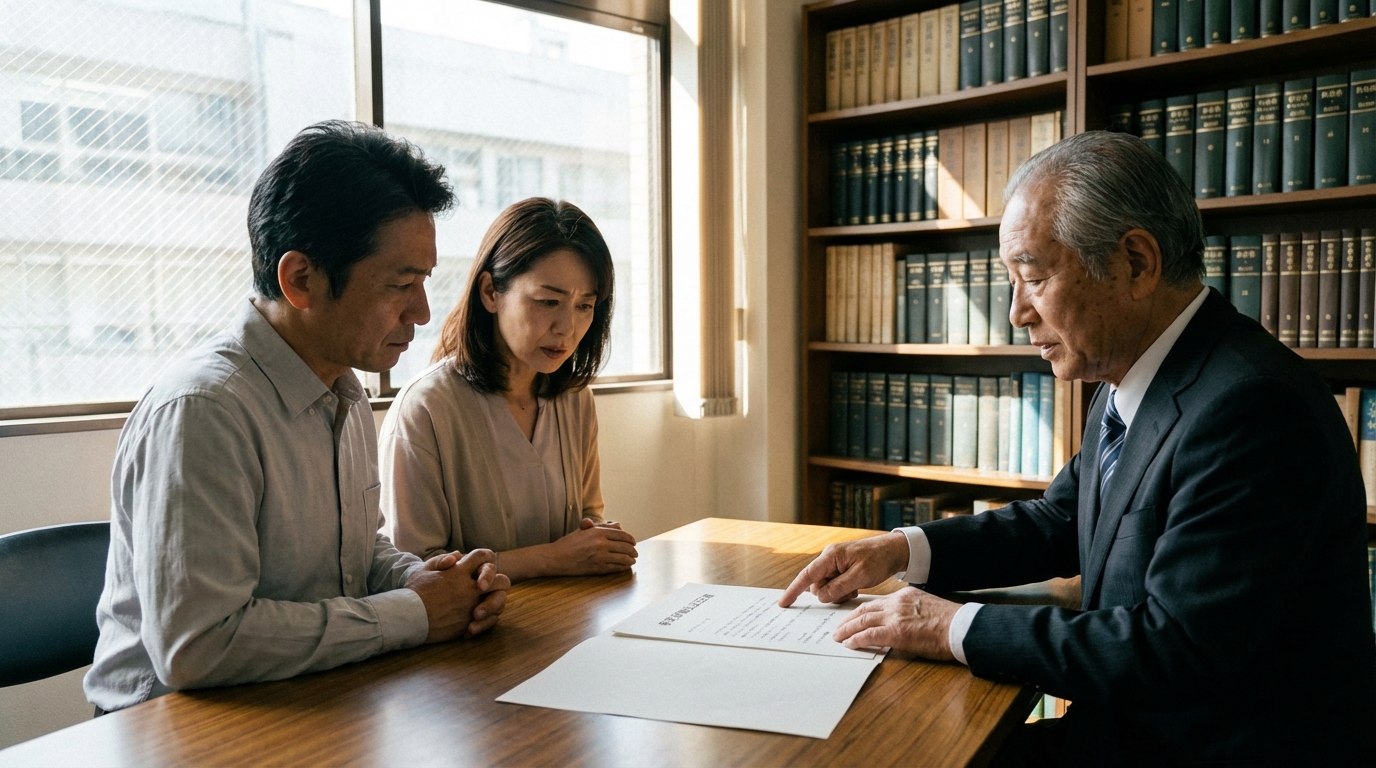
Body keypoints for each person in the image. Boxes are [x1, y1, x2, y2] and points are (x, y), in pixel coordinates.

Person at [780, 131, 1376, 765]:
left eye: (1033, 277)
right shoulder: (1141, 372)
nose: (1016, 313)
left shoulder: (1251, 408)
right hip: (1135, 728)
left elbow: (1172, 649)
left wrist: (947, 625)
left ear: (1137, 264)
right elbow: (1060, 520)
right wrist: (901, 550)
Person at [85, 121, 510, 713]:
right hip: (174, 730)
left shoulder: (344, 390)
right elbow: (198, 647)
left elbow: (353, 557)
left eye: (424, 282)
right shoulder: (206, 411)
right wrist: (413, 615)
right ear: (300, 279)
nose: (421, 311)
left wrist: (421, 580)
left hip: (306, 698)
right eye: (401, 284)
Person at [379, 198, 637, 582]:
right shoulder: (427, 408)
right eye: (548, 301)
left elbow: (587, 521)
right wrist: (553, 559)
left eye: (585, 306)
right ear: (490, 293)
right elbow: (416, 572)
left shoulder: (574, 398)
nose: (566, 328)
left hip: (563, 619)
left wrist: (600, 543)